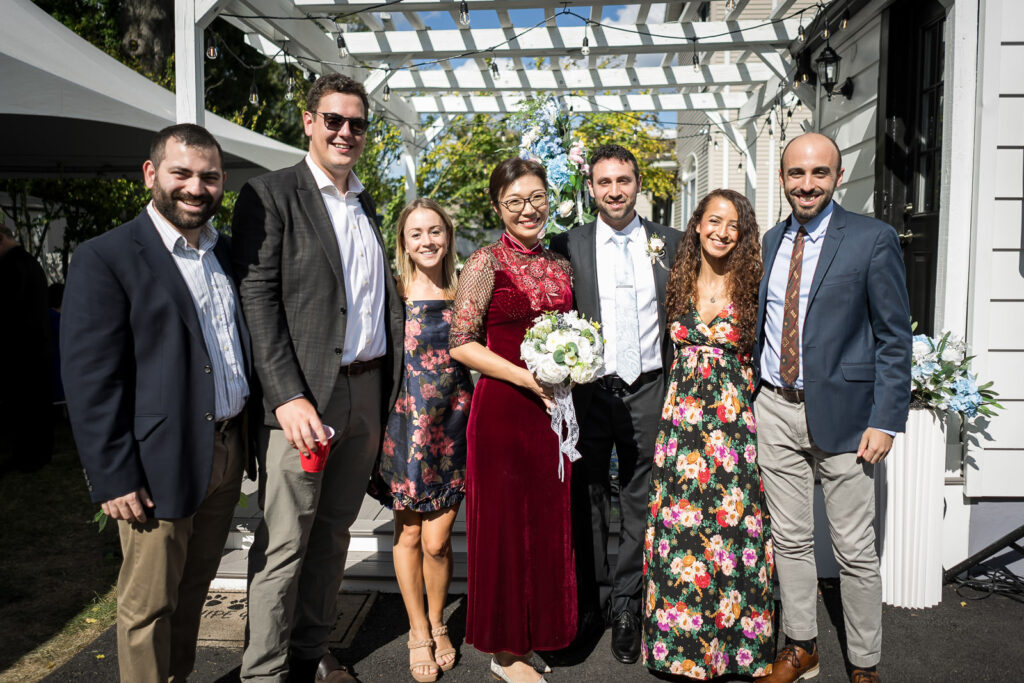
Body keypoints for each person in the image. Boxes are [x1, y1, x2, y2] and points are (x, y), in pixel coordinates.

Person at [61, 123, 251, 681]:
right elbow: (90, 377)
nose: (196, 187)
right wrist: (113, 474)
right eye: (182, 174)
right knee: (147, 607)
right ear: (151, 174)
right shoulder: (107, 256)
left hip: (226, 450)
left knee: (194, 592)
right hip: (153, 462)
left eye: (210, 177)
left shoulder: (228, 254)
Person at [232, 73, 404, 683]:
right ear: (308, 121)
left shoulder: (366, 203)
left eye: (356, 123)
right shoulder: (270, 193)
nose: (345, 132)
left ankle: (309, 652)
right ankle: (264, 672)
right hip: (303, 400)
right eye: (333, 119)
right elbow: (257, 297)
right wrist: (286, 396)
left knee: (333, 536)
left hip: (365, 390)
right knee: (284, 542)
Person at [755, 133, 911, 683]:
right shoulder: (770, 242)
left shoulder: (872, 239)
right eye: (797, 173)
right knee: (790, 540)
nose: (807, 184)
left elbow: (895, 338)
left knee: (854, 549)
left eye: (819, 173)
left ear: (838, 177)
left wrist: (886, 418)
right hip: (774, 408)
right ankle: (803, 646)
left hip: (848, 417)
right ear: (783, 179)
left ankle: (864, 663)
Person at [549, 144, 683, 663]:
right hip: (588, 390)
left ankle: (628, 603)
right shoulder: (567, 244)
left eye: (623, 180)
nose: (614, 191)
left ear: (638, 182)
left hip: (649, 385)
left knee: (639, 498)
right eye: (604, 182)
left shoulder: (670, 242)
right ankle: (589, 604)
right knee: (586, 499)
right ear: (591, 187)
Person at [448, 157, 576, 683]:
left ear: (549, 198)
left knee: (545, 526)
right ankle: (505, 652)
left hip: (552, 415)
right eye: (515, 202)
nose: (528, 210)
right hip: (503, 411)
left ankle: (534, 633)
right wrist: (525, 380)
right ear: (498, 207)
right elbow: (461, 343)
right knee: (503, 530)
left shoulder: (560, 264)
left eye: (536, 198)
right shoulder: (484, 263)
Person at [640, 189, 774, 679]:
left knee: (732, 530)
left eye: (732, 225)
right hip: (681, 429)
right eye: (713, 221)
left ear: (742, 234)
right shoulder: (674, 279)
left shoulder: (754, 283)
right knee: (682, 535)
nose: (721, 231)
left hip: (733, 427)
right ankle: (680, 649)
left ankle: (735, 649)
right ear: (696, 224)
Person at [368, 198, 473, 682]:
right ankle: (419, 630)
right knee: (409, 532)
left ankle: (438, 618)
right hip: (403, 426)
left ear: (447, 236)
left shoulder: (466, 290)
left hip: (453, 424)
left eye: (435, 231)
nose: (427, 241)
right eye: (416, 233)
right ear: (403, 242)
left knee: (437, 541)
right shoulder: (392, 292)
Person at [0, 225, 53, 473]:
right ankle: (39, 453)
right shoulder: (30, 263)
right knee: (36, 404)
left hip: (21, 348)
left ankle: (29, 456)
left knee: (25, 406)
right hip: (38, 345)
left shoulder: (12, 266)